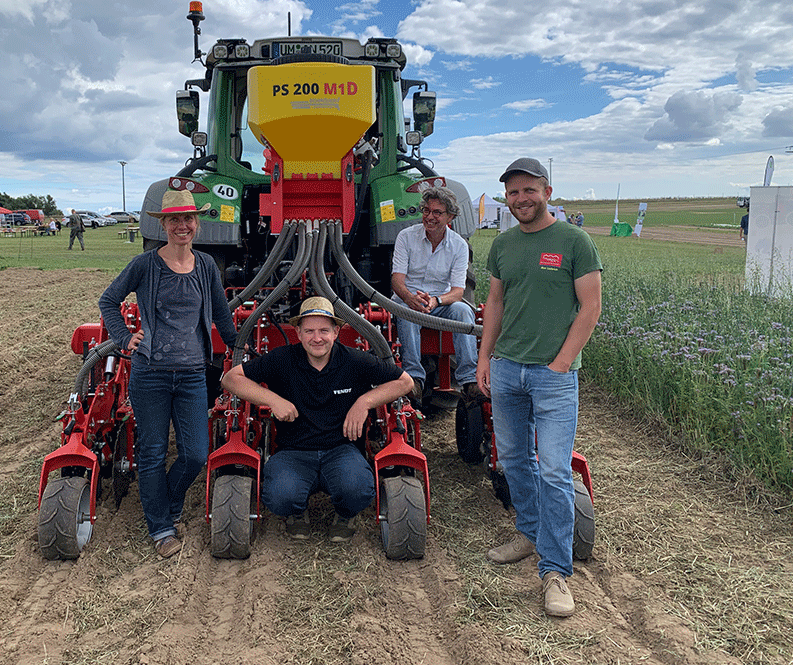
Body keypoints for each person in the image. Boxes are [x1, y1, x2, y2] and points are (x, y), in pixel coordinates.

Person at [476, 156, 602, 619]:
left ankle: (556, 572)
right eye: (512, 193)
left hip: (553, 376)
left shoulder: (574, 241)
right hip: (507, 369)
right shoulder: (504, 245)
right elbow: (494, 301)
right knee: (512, 460)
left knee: (553, 470)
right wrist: (485, 358)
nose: (520, 199)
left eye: (528, 190)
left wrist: (561, 363)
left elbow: (590, 308)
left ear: (547, 191)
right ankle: (528, 533)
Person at [99, 189, 237, 559]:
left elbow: (222, 314)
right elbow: (109, 301)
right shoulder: (144, 264)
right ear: (163, 224)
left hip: (193, 375)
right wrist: (125, 338)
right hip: (152, 373)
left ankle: (169, 505)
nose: (183, 225)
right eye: (174, 219)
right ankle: (161, 527)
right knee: (153, 451)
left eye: (188, 218)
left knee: (196, 454)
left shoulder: (206, 265)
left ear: (197, 223)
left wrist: (239, 349)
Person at [221, 296, 414, 543]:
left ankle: (345, 514)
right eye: (309, 331)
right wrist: (272, 399)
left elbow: (405, 382)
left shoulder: (354, 361)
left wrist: (364, 402)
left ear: (336, 332)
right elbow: (230, 379)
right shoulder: (282, 360)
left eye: (324, 330)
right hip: (294, 451)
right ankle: (296, 513)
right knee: (280, 496)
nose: (317, 338)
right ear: (298, 333)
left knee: (358, 490)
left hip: (341, 450)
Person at [390, 186, 478, 402]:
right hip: (408, 300)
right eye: (426, 211)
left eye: (437, 213)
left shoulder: (458, 245)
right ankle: (414, 380)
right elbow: (397, 280)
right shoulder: (406, 237)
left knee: (463, 311)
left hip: (440, 303)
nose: (429, 217)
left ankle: (469, 380)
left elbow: (458, 292)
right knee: (406, 312)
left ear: (451, 216)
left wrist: (436, 300)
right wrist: (410, 298)